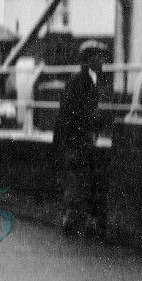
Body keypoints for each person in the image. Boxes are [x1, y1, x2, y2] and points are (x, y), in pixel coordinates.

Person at [54, 41, 108, 239]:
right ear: (87, 60)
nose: (102, 61)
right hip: (77, 140)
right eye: (98, 57)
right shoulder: (83, 83)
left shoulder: (82, 81)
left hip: (75, 139)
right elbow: (76, 114)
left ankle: (71, 218)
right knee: (80, 179)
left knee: (77, 180)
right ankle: (74, 219)